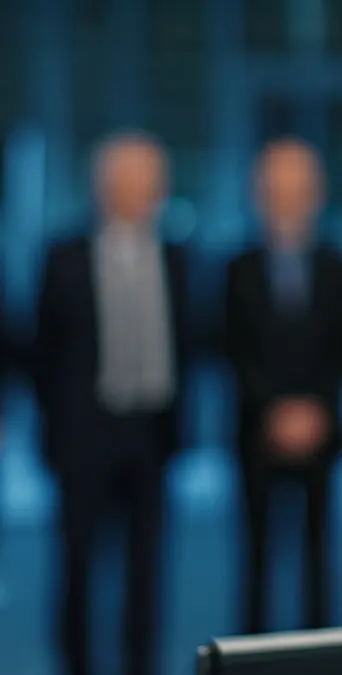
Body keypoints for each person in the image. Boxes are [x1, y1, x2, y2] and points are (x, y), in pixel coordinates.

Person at [34, 132, 189, 675]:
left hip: (152, 431)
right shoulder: (63, 256)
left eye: (146, 179)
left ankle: (140, 663)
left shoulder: (179, 256)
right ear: (101, 185)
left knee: (147, 569)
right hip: (84, 433)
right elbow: (42, 352)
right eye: (124, 179)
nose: (135, 190)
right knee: (77, 565)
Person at [224, 139, 342, 634]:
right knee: (255, 559)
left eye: (298, 186)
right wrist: (274, 411)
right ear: (258, 192)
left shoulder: (339, 265)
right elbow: (233, 350)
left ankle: (317, 651)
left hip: (322, 431)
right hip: (256, 431)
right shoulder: (234, 267)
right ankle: (253, 657)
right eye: (276, 186)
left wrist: (316, 409)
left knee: (319, 557)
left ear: (316, 193)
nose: (287, 196)